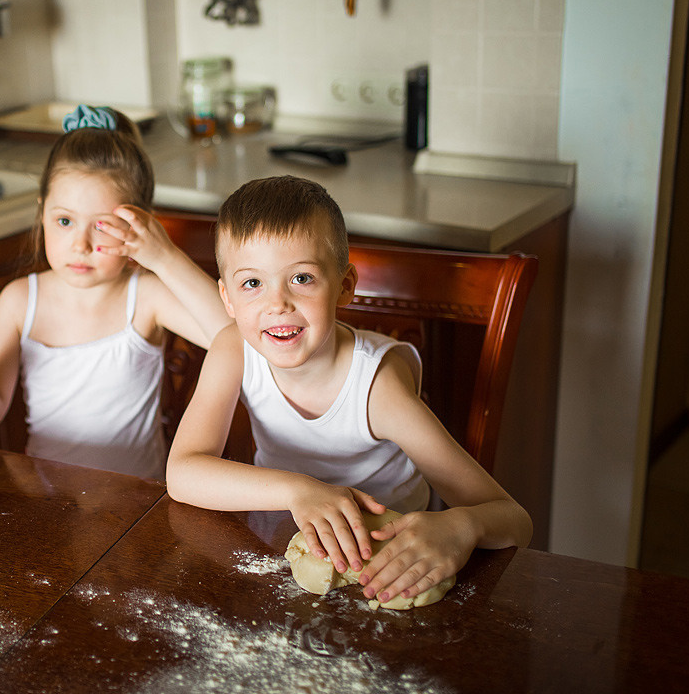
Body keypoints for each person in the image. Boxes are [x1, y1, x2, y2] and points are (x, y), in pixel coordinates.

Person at [166, 175, 532, 606]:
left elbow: (514, 520)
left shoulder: (379, 388)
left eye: (301, 278)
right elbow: (182, 472)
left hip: (386, 573)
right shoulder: (234, 348)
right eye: (252, 284)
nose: (277, 303)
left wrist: (461, 527)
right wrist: (297, 491)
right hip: (282, 556)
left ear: (344, 285)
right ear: (227, 299)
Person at [0, 105, 231, 480]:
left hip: (138, 506)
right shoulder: (19, 301)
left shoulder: (146, 297)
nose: (80, 244)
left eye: (102, 225)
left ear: (140, 224)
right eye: (64, 221)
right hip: (52, 508)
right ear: (42, 211)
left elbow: (235, 336)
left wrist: (164, 257)